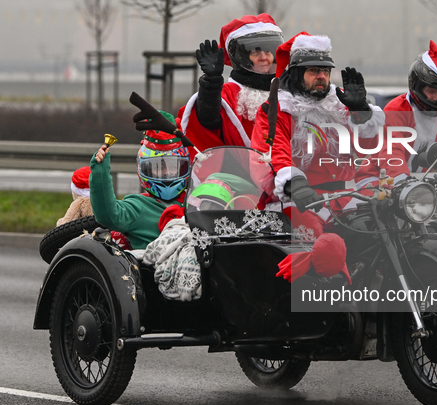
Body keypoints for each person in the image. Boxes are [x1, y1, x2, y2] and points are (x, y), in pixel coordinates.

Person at [251, 32, 384, 232]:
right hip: (297, 202)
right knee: (323, 248)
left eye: (325, 71)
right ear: (296, 74)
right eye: (313, 70)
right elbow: (270, 154)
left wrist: (362, 113)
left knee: (380, 235)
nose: (322, 76)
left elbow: (369, 148)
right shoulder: (277, 109)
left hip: (344, 200)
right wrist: (294, 184)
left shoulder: (339, 105)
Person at [355, 40, 437, 188]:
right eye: (431, 91)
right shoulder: (397, 109)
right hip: (380, 180)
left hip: (423, 184)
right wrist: (402, 181)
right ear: (416, 86)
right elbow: (392, 153)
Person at [179, 13, 283, 150]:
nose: (264, 57)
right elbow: (208, 120)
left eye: (268, 51)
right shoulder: (228, 94)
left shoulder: (286, 90)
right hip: (237, 168)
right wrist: (211, 84)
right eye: (256, 52)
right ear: (243, 57)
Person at [90, 111, 193, 250]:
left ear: (184, 166)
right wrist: (99, 172)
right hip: (155, 269)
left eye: (173, 166)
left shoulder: (196, 201)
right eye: (158, 167)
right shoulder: (137, 207)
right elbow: (108, 215)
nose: (166, 173)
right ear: (144, 168)